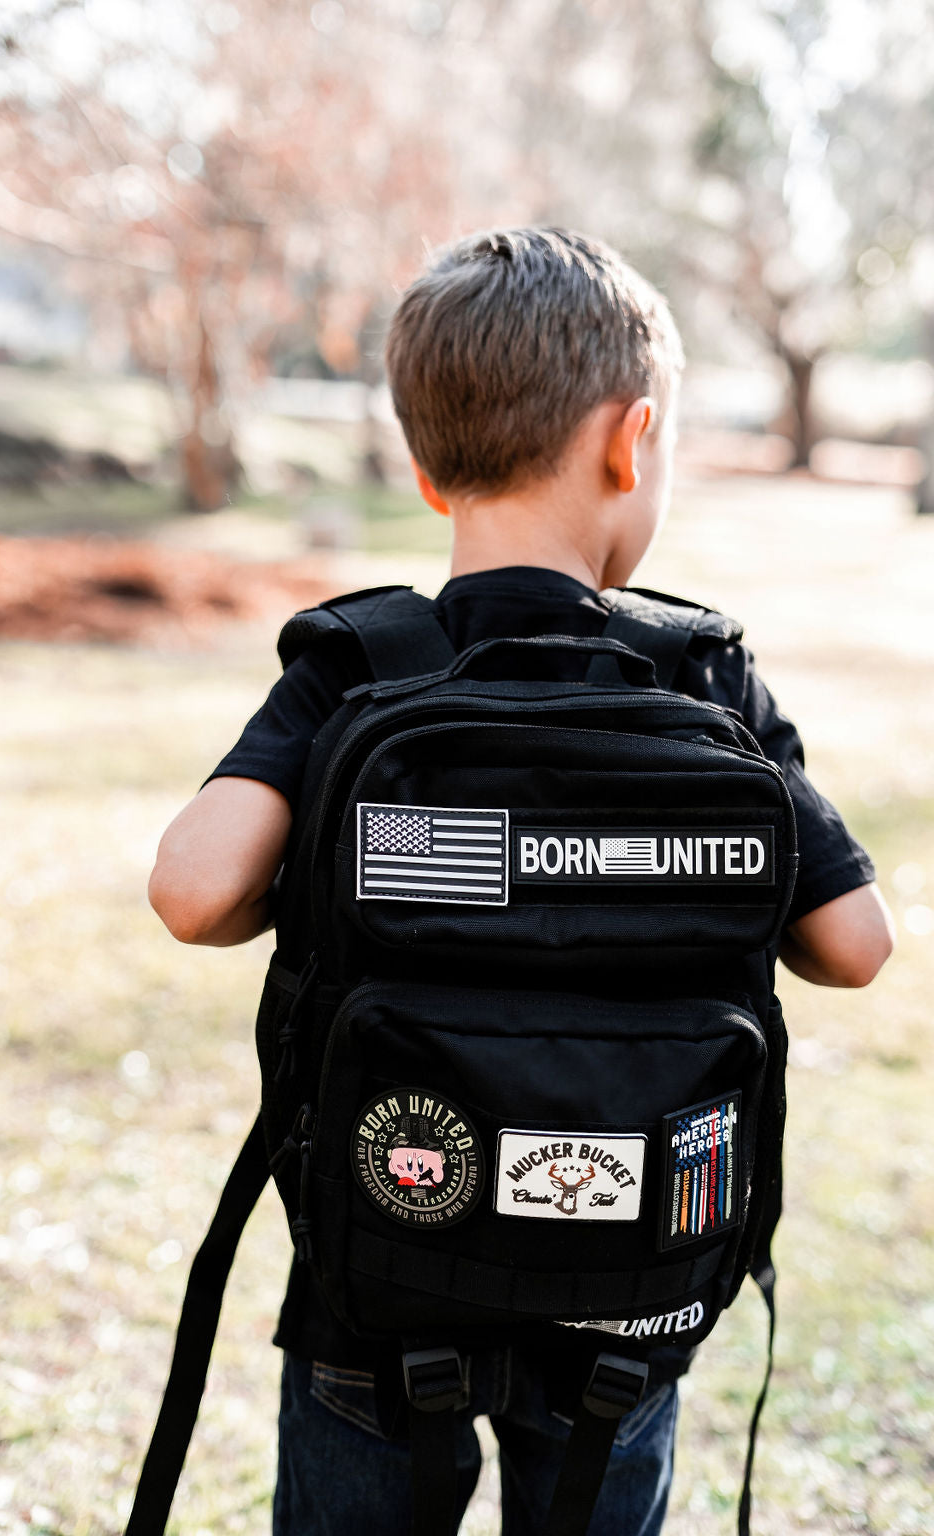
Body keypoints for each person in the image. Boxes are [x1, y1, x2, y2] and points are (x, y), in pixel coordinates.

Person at [146, 228, 894, 1536]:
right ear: (632, 439)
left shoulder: (358, 665)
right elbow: (855, 944)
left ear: (431, 474)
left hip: (384, 1276)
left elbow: (194, 893)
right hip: (628, 1292)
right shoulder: (700, 677)